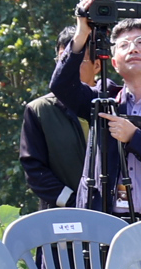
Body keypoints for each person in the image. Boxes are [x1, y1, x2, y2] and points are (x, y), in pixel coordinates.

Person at [51, 15, 141, 218]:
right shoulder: (102, 101)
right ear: (114, 63)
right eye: (124, 45)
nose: (133, 49)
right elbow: (61, 85)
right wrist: (81, 33)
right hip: (105, 222)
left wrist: (134, 137)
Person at [19, 23, 93, 208]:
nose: (68, 66)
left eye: (77, 59)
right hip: (62, 217)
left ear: (98, 64)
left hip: (114, 214)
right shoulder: (39, 110)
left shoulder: (114, 103)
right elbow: (35, 170)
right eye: (64, 59)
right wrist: (73, 201)